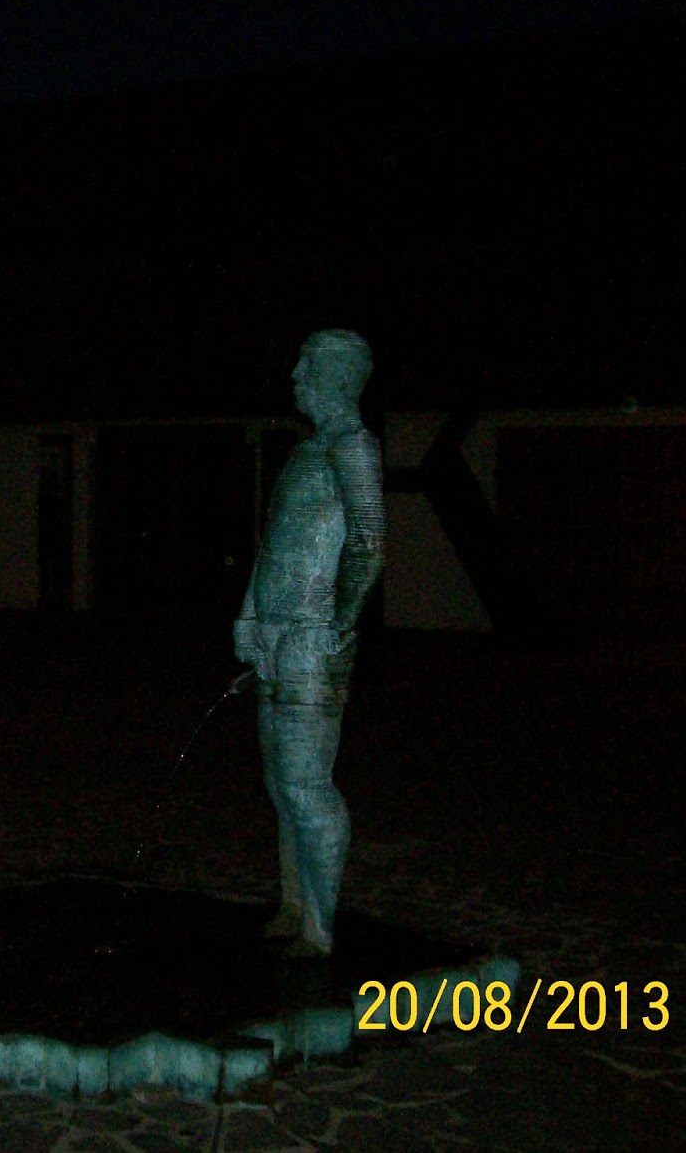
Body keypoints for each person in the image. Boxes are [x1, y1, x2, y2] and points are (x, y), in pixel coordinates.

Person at [234, 329, 385, 957]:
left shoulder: (353, 447)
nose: (296, 374)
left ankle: (319, 928)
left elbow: (369, 541)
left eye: (308, 364)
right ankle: (293, 906)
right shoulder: (306, 453)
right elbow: (272, 544)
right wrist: (249, 615)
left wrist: (337, 623)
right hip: (276, 633)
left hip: (309, 638)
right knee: (280, 783)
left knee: (305, 783)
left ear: (340, 376)